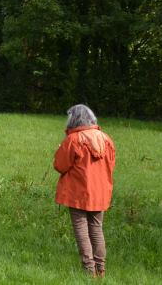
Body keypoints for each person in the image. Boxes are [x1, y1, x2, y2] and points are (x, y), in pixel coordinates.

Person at [53, 104, 116, 278]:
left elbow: (59, 166)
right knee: (96, 229)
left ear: (73, 120)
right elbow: (111, 166)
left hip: (78, 193)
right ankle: (100, 269)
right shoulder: (106, 139)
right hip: (100, 192)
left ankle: (89, 270)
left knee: (81, 230)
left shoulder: (73, 140)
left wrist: (60, 149)